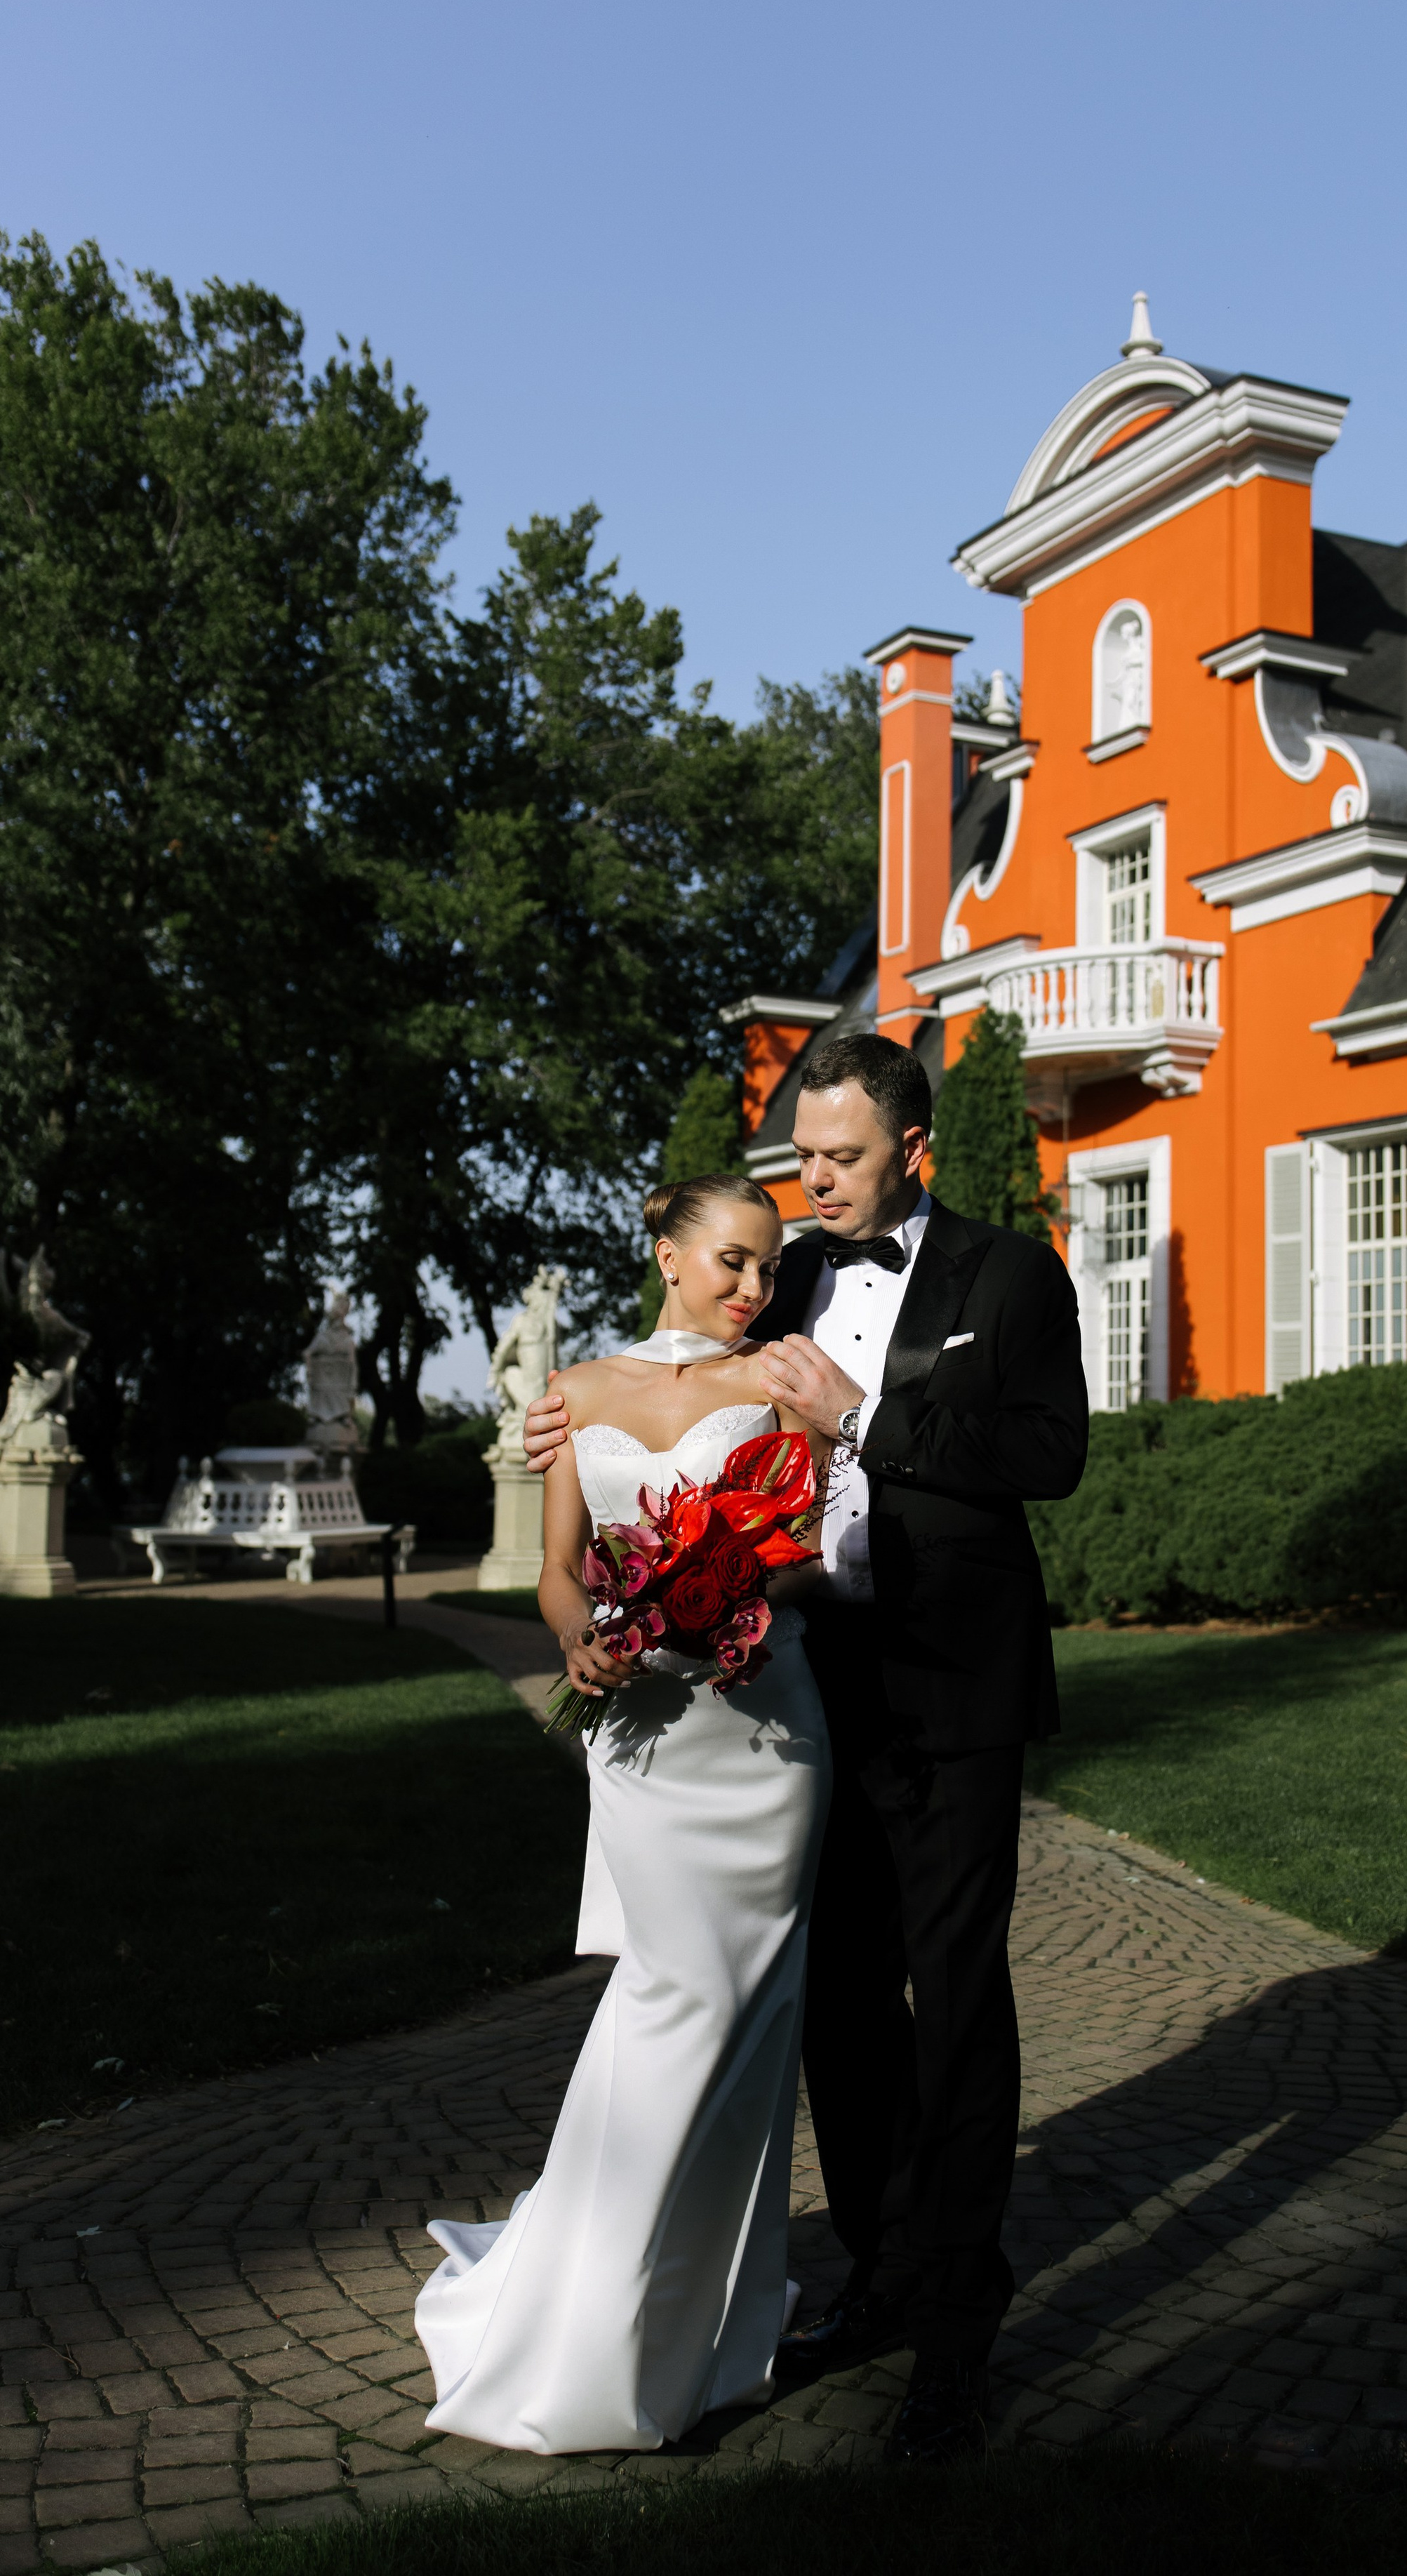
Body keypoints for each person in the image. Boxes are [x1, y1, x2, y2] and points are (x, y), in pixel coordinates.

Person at [524, 1033, 1088, 2461]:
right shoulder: (779, 1278)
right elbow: (653, 1394)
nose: (811, 1179)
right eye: (800, 1156)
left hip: (952, 1694)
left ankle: (956, 2333)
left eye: (838, 1156)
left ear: (913, 1147)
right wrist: (560, 1415)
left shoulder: (1008, 1277)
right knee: (839, 2006)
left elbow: (1047, 1457)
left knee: (955, 2004)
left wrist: (872, 1421)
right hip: (803, 1702)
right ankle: (883, 2282)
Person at [414, 1176, 832, 2455]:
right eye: (731, 1261)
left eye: (768, 1268)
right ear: (665, 1252)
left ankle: (694, 2322)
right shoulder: (576, 1394)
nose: (753, 1289)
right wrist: (580, 1645)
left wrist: (738, 1595)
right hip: (642, 1738)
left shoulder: (783, 1385)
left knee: (747, 2022)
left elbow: (799, 1544)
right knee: (669, 1994)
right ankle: (590, 2312)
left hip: (759, 1737)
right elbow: (557, 1572)